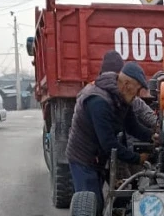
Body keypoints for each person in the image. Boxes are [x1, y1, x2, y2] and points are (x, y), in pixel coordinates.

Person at [66, 61, 154, 208]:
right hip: (83, 160)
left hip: (98, 158)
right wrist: (138, 159)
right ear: (126, 84)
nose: (138, 95)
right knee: (91, 206)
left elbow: (132, 126)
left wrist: (152, 137)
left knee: (105, 203)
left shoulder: (120, 98)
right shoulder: (99, 102)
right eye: (137, 90)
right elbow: (109, 144)